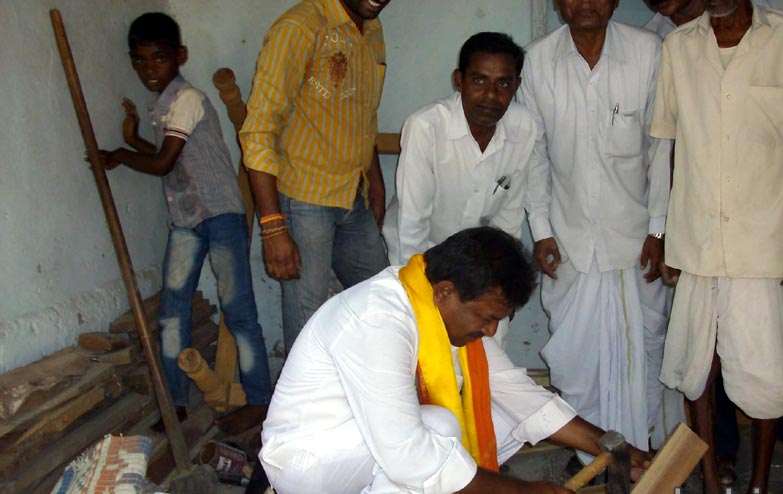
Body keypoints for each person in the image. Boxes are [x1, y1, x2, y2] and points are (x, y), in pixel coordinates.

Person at [258, 227, 650, 494]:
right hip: (307, 462)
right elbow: (408, 453)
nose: (492, 332)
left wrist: (613, 450)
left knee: (496, 415)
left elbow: (521, 397)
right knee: (438, 429)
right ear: (446, 292)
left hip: (362, 453)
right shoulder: (377, 316)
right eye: (486, 318)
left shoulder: (435, 304)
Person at [651, 0, 783, 494]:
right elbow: (673, 148)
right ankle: (709, 487)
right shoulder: (678, 47)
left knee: (768, 372)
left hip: (763, 239)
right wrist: (667, 235)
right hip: (698, 237)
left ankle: (756, 493)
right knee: (695, 366)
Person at [99, 12, 271, 434]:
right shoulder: (162, 108)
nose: (148, 70)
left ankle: (260, 401)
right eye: (139, 61)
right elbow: (171, 158)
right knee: (172, 316)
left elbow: (163, 162)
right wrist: (134, 138)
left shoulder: (188, 98)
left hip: (221, 215)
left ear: (180, 56)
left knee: (239, 311)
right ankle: (174, 402)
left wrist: (121, 155)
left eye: (158, 59)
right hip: (187, 220)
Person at [518, 0, 676, 458]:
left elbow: (661, 148)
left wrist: (660, 229)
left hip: (637, 240)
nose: (586, 2)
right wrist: (542, 229)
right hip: (569, 241)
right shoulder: (538, 62)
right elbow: (535, 155)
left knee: (644, 349)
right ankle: (592, 456)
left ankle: (640, 451)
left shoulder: (649, 52)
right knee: (574, 355)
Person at [240, 0, 391, 354]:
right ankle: (302, 408)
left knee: (382, 304)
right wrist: (273, 227)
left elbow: (363, 116)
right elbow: (258, 131)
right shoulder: (300, 27)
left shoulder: (372, 30)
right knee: (308, 323)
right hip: (303, 200)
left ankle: (366, 398)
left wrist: (376, 182)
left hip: (353, 196)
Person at [382, 32, 538, 345]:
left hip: (481, 268)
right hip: (422, 256)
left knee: (491, 347)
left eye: (503, 84)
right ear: (459, 80)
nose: (491, 96)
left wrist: (504, 284)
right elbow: (411, 225)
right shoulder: (426, 127)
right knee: (428, 352)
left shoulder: (524, 127)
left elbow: (507, 222)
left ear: (516, 86)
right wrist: (419, 296)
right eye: (479, 81)